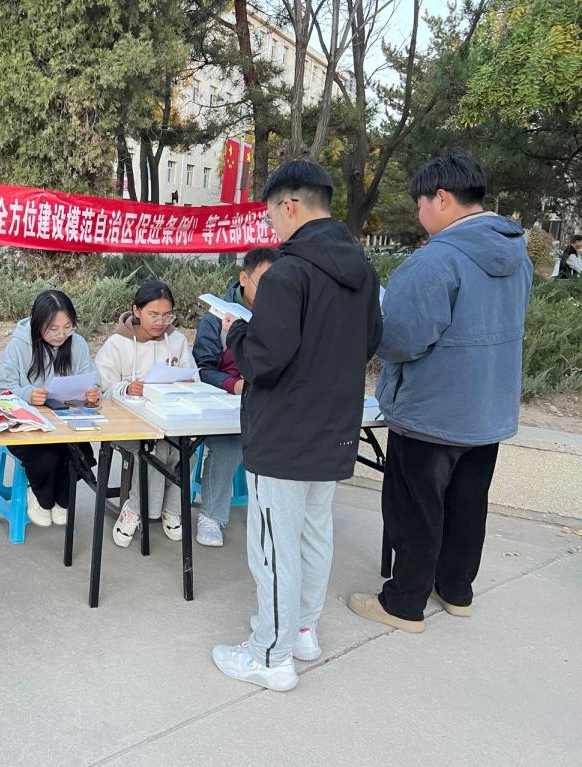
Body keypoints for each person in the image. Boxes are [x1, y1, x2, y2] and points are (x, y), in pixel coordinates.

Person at [212, 159, 382, 692]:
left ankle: (270, 654)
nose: (272, 227)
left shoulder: (288, 272)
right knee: (313, 535)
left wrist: (236, 333)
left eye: (270, 216)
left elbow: (263, 361)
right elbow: (370, 340)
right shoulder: (362, 269)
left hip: (284, 431)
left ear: (289, 205)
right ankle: (303, 629)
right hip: (334, 426)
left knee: (273, 547)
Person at [348, 152, 532, 633]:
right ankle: (455, 591)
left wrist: (376, 321)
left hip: (431, 410)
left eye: (420, 203)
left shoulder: (435, 260)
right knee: (467, 505)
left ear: (442, 198)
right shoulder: (517, 257)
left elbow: (401, 340)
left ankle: (403, 603)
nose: (419, 213)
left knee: (415, 509)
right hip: (487, 408)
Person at [95, 280, 197, 547]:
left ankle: (171, 509)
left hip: (169, 420)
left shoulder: (176, 341)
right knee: (155, 449)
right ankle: (136, 509)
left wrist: (185, 383)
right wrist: (127, 388)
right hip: (127, 424)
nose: (161, 322)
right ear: (136, 311)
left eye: (167, 315)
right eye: (153, 314)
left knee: (190, 449)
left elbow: (193, 378)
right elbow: (101, 390)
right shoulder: (117, 343)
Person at [193, 246, 282, 547]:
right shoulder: (217, 317)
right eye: (264, 281)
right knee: (230, 442)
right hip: (226, 401)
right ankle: (211, 515)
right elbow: (202, 368)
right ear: (244, 278)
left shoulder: (284, 316)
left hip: (269, 401)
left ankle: (276, 514)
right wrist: (234, 385)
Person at [0, 290, 99, 526]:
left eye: (68, 327)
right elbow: (1, 389)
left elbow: (93, 381)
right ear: (38, 324)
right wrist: (27, 394)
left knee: (79, 455)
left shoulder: (78, 344)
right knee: (47, 458)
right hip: (27, 426)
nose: (61, 335)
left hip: (66, 423)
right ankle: (42, 496)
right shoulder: (19, 346)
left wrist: (93, 392)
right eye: (53, 328)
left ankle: (61, 500)